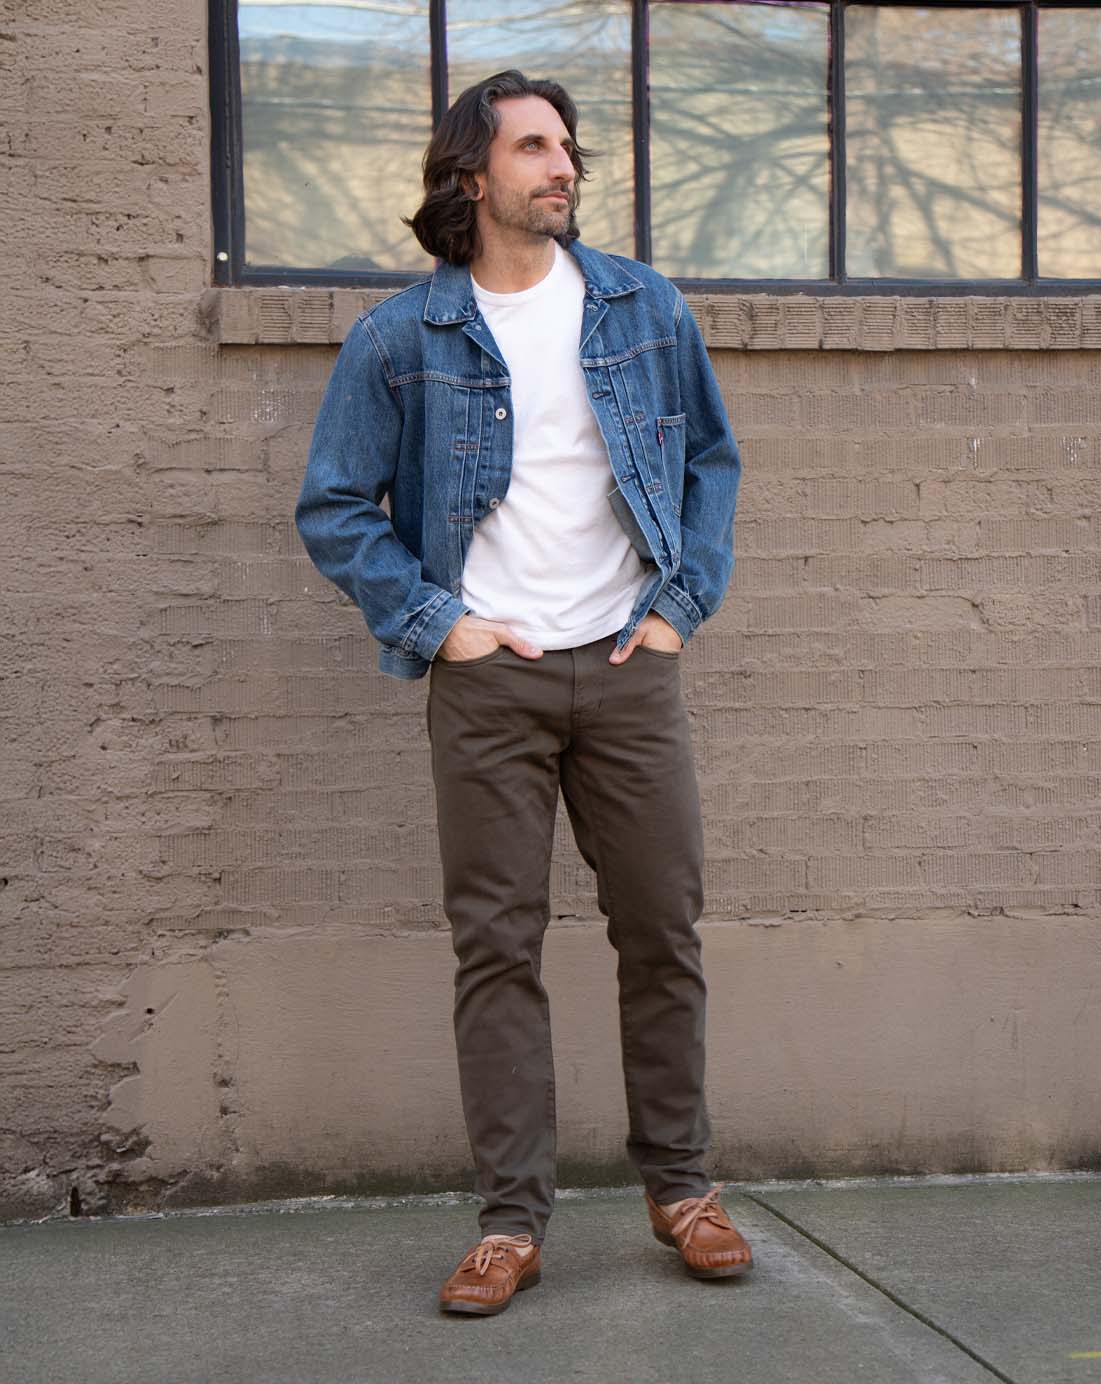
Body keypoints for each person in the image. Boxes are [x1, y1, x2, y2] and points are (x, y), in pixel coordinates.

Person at [295, 69, 749, 1316]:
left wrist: (677, 607)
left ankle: (684, 1190)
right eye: (535, 148)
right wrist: (439, 627)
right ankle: (511, 1223)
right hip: (490, 685)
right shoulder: (404, 338)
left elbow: (712, 461)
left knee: (662, 930)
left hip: (623, 668)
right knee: (496, 950)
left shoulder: (643, 309)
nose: (565, 166)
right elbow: (334, 506)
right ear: (470, 177)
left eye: (568, 148)